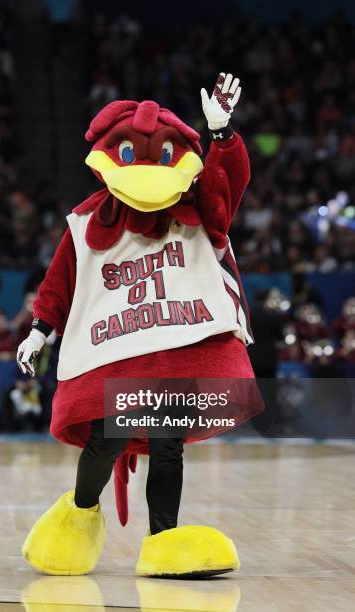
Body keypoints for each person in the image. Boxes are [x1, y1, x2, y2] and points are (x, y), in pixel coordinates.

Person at [17, 73, 258, 577]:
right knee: (105, 439)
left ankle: (164, 541)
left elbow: (226, 186)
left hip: (174, 351)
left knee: (168, 447)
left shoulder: (199, 209)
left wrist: (220, 134)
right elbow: (60, 280)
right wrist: (40, 329)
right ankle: (79, 515)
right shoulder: (86, 222)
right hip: (120, 352)